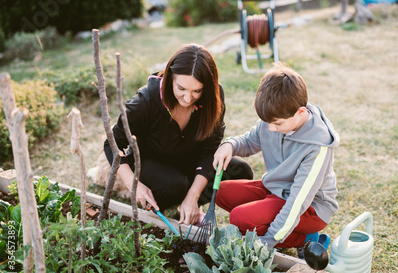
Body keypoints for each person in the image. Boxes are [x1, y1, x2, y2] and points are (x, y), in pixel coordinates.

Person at [104, 43, 253, 226]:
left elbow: (210, 148)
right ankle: (164, 203)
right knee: (174, 186)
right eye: (181, 88)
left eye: (197, 91)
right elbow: (112, 144)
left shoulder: (214, 96)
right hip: (153, 165)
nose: (188, 98)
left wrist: (194, 196)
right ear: (170, 78)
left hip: (191, 162)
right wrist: (134, 186)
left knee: (240, 171)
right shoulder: (146, 101)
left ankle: (190, 205)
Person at [212, 63, 339, 250]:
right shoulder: (275, 117)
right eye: (267, 122)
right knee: (221, 192)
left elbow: (297, 202)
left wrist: (268, 241)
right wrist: (230, 144)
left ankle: (306, 239)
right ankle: (270, 223)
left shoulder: (317, 147)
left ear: (300, 112)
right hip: (276, 190)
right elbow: (250, 141)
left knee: (239, 218)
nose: (271, 129)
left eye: (277, 124)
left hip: (310, 208)